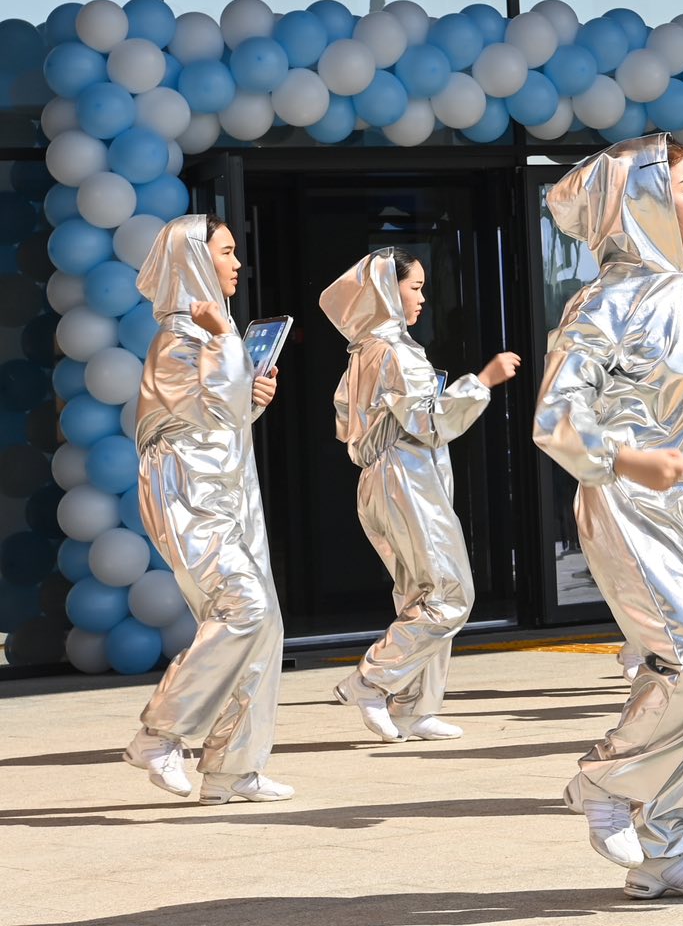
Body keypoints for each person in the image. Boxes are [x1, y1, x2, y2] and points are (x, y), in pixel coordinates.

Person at [533, 135, 683, 900]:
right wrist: (628, 461)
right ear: (639, 201)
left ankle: (667, 848)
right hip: (630, 507)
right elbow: (554, 417)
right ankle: (604, 778)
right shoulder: (604, 301)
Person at [122, 214, 290, 805]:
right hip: (190, 497)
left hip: (223, 492)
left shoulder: (203, 340)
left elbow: (222, 419)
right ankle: (159, 734)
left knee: (263, 622)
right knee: (244, 607)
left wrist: (253, 399)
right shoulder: (179, 339)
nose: (237, 263)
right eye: (224, 252)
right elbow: (212, 417)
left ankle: (232, 769)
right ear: (195, 260)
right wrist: (224, 338)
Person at [322, 248, 519, 742]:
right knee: (451, 594)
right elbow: (431, 421)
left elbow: (350, 423)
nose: (422, 298)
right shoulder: (395, 351)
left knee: (419, 594)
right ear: (390, 291)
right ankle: (373, 680)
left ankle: (415, 707)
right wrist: (484, 381)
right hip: (406, 480)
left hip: (382, 480)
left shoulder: (362, 352)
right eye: (414, 288)